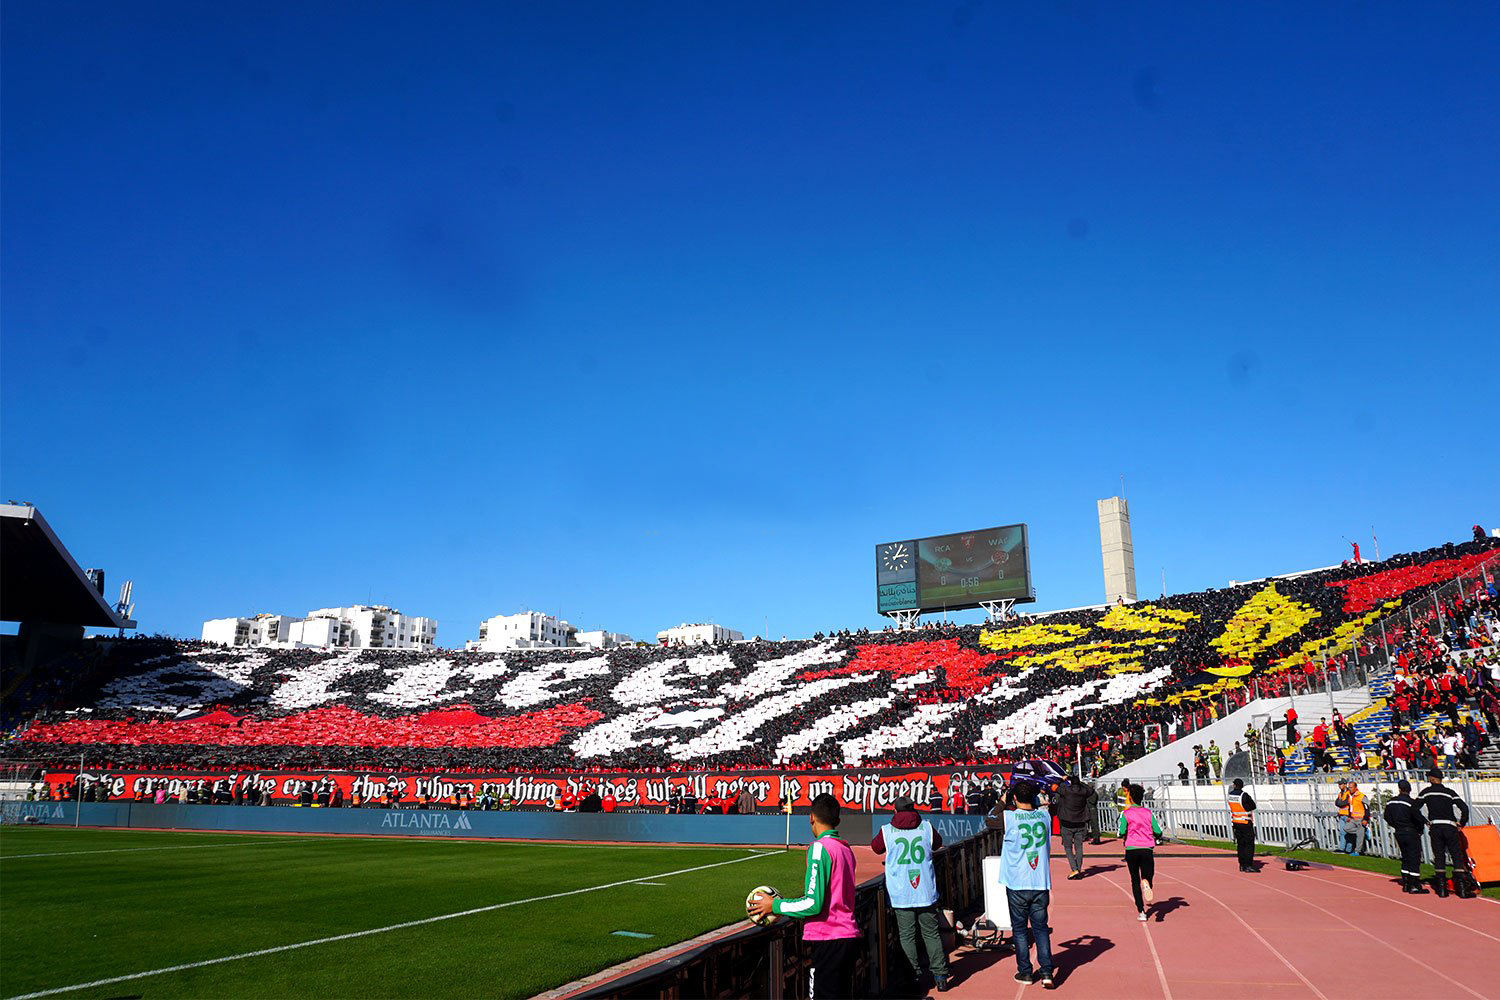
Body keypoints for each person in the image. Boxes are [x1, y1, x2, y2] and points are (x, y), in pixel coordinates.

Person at [748, 793, 860, 998]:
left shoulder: (819, 848)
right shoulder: (845, 849)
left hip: (829, 939)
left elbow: (813, 903)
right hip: (848, 936)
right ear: (837, 820)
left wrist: (775, 905)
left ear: (811, 818)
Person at [872, 796, 949, 992]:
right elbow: (937, 844)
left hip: (901, 892)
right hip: (925, 890)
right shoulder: (926, 827)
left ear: (895, 811)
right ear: (914, 810)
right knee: (931, 934)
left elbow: (876, 847)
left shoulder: (887, 830)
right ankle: (940, 976)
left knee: (907, 936)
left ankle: (913, 977)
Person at [986, 782, 1056, 988]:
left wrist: (1001, 801)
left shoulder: (1008, 817)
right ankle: (1046, 972)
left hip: (1017, 881)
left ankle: (1025, 972)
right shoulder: (1045, 816)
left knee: (1019, 930)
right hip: (1040, 880)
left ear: (1014, 798)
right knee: (1041, 929)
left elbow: (989, 819)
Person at [1416, 769, 1474, 898]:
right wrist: (1462, 822)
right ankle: (1462, 889)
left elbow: (1414, 809)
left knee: (1439, 856)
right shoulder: (1449, 792)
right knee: (1456, 855)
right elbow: (1464, 808)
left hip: (1436, 826)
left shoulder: (1426, 792)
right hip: (1450, 826)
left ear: (1432, 778)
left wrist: (1425, 821)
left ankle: (1442, 889)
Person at [1118, 783, 1159, 919]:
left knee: (1134, 879)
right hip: (1147, 848)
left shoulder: (1126, 813)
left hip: (1131, 849)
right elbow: (1158, 831)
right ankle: (1147, 882)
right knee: (1147, 875)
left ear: (1131, 798)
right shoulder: (1148, 813)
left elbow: (1121, 831)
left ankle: (1141, 912)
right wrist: (1157, 836)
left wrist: (1123, 834)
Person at [1382, 779, 1428, 894]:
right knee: (1414, 857)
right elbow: (1418, 817)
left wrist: (1395, 825)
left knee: (1405, 857)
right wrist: (1420, 828)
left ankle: (1406, 882)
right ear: (1409, 790)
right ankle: (1414, 884)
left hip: (1399, 831)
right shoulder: (1411, 803)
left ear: (1399, 789)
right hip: (1411, 831)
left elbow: (1387, 816)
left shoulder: (1390, 802)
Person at [1054, 776, 1094, 880]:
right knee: (1079, 847)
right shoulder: (1083, 791)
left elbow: (1054, 786)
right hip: (1080, 822)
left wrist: (1062, 780)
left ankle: (1074, 868)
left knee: (1068, 847)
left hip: (1067, 823)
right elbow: (1091, 790)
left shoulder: (1066, 790)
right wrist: (1080, 783)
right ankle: (1078, 869)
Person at [1227, 778, 1256, 872]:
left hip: (1236, 822)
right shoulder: (1244, 795)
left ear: (1234, 785)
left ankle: (1242, 864)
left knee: (1240, 844)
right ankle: (1248, 865)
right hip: (1245, 822)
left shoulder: (1230, 795)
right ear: (1242, 786)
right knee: (1249, 845)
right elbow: (1253, 806)